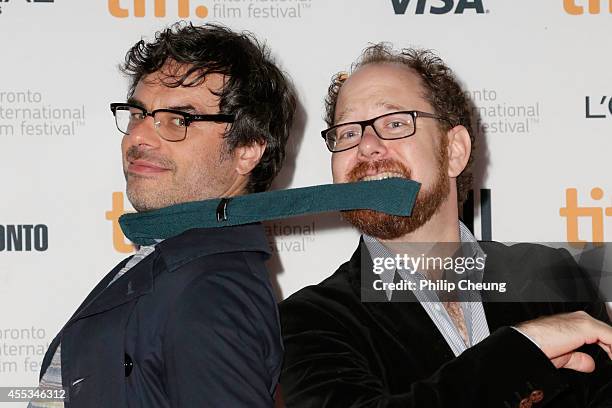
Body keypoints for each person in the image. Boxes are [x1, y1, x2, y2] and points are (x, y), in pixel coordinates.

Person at [279, 44, 612, 407]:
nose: (367, 147)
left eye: (394, 123)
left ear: (454, 150)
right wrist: (522, 350)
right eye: (347, 133)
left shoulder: (555, 279)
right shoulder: (309, 321)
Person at [33, 22, 296, 407]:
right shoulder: (169, 269)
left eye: (178, 120)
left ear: (247, 150)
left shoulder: (210, 290)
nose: (139, 136)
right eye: (139, 113)